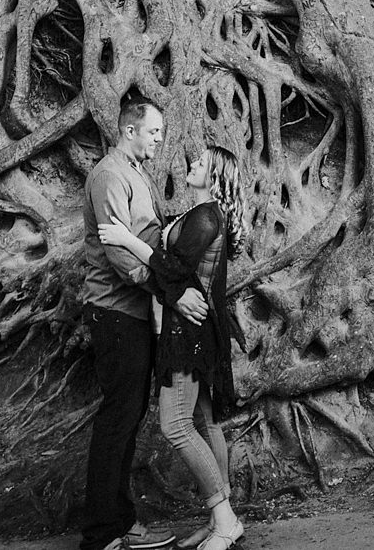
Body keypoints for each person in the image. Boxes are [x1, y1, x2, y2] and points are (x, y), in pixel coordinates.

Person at [99, 145, 248, 550]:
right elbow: (184, 272)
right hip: (194, 328)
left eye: (201, 162)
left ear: (215, 175)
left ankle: (225, 520)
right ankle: (219, 519)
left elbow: (173, 272)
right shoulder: (201, 213)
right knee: (206, 421)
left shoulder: (205, 216)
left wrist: (126, 239)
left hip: (189, 333)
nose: (192, 163)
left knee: (176, 425)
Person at [81, 96, 209, 550]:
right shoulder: (110, 175)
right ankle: (101, 536)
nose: (160, 140)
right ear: (130, 130)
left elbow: (150, 238)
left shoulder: (138, 175)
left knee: (129, 416)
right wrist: (174, 293)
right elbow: (120, 256)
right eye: (154, 132)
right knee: (117, 418)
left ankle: (120, 522)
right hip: (114, 313)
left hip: (135, 315)